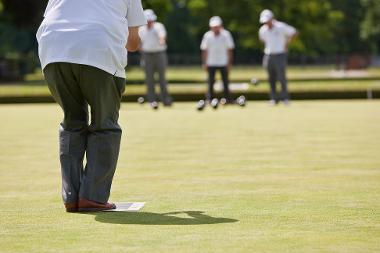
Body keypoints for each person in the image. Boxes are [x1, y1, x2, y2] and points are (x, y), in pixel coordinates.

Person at [36, 0, 146, 212]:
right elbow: (132, 43)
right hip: (98, 45)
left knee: (72, 121)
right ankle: (92, 197)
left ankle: (71, 196)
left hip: (52, 47)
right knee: (105, 124)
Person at [259, 9, 298, 105]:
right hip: (268, 55)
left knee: (281, 77)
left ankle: (285, 98)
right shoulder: (262, 30)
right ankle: (273, 99)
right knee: (271, 78)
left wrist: (286, 44)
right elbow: (263, 40)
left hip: (280, 54)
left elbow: (294, 32)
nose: (266, 23)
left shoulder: (281, 26)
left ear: (272, 19)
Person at [139, 9, 172, 110]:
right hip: (147, 55)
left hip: (159, 54)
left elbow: (162, 35)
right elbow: (139, 42)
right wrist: (142, 51)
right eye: (147, 21)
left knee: (162, 78)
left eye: (151, 20)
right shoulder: (141, 29)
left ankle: (166, 100)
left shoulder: (159, 26)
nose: (149, 22)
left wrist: (161, 40)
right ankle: (152, 100)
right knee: (149, 79)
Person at [199, 16, 235, 110]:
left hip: (223, 62)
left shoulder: (226, 35)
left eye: (217, 26)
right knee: (210, 82)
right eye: (213, 26)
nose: (215, 28)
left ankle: (228, 99)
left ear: (220, 26)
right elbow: (204, 50)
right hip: (211, 62)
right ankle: (209, 99)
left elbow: (230, 49)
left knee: (225, 82)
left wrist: (229, 63)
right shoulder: (207, 35)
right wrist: (204, 62)